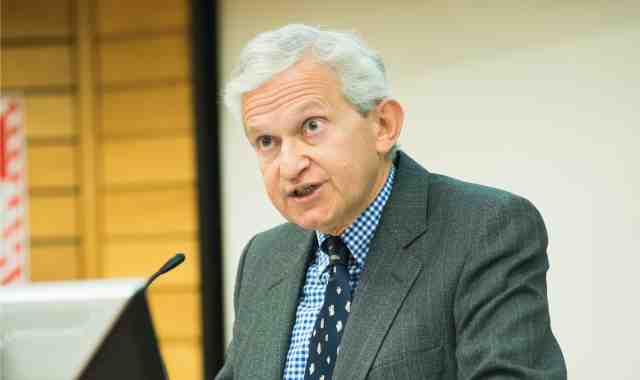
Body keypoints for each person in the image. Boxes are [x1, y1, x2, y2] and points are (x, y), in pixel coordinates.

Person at [216, 24, 566, 380]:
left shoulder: (484, 229)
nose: (289, 165)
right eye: (266, 142)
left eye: (311, 127)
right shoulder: (264, 257)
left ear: (383, 125)